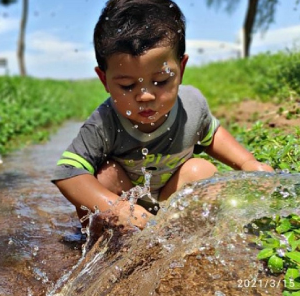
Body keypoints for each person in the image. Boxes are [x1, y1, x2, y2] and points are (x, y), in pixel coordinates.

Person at [52, 0, 274, 229]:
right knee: (106, 175)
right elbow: (68, 174)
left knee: (201, 171)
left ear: (181, 68)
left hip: (170, 201)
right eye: (127, 86)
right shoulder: (104, 123)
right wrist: (117, 209)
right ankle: (109, 250)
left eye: (160, 81)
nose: (145, 96)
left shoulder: (191, 107)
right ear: (104, 80)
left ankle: (184, 237)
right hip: (125, 202)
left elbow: (212, 134)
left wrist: (249, 163)